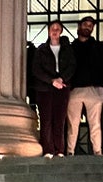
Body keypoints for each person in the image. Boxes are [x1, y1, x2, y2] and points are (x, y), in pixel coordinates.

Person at [33, 21, 76, 157]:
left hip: (62, 87)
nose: (55, 31)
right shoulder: (41, 50)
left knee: (60, 119)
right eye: (53, 28)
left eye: (58, 28)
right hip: (45, 88)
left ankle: (59, 150)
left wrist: (62, 79)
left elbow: (72, 66)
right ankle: (48, 149)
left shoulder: (67, 49)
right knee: (46, 119)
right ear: (48, 31)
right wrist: (51, 81)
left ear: (61, 31)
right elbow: (36, 69)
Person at [67, 16, 103, 156]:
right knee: (73, 124)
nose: (88, 27)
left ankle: (97, 151)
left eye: (90, 25)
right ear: (79, 26)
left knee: (95, 124)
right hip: (75, 89)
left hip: (93, 88)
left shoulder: (99, 47)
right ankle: (70, 151)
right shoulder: (71, 47)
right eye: (85, 24)